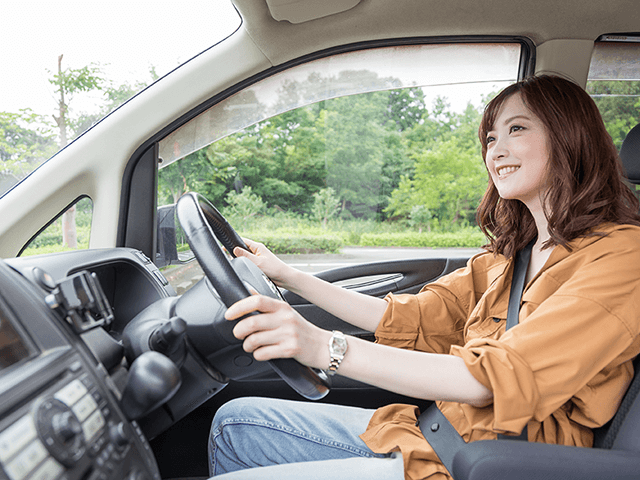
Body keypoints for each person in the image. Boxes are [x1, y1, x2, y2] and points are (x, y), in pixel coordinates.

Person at [208, 75, 640, 480]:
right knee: (235, 424)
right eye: (491, 138)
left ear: (569, 136)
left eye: (517, 129)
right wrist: (289, 276)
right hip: (428, 433)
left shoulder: (623, 257)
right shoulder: (510, 256)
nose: (496, 150)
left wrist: (325, 346)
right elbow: (406, 318)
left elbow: (490, 378)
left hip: (488, 461)